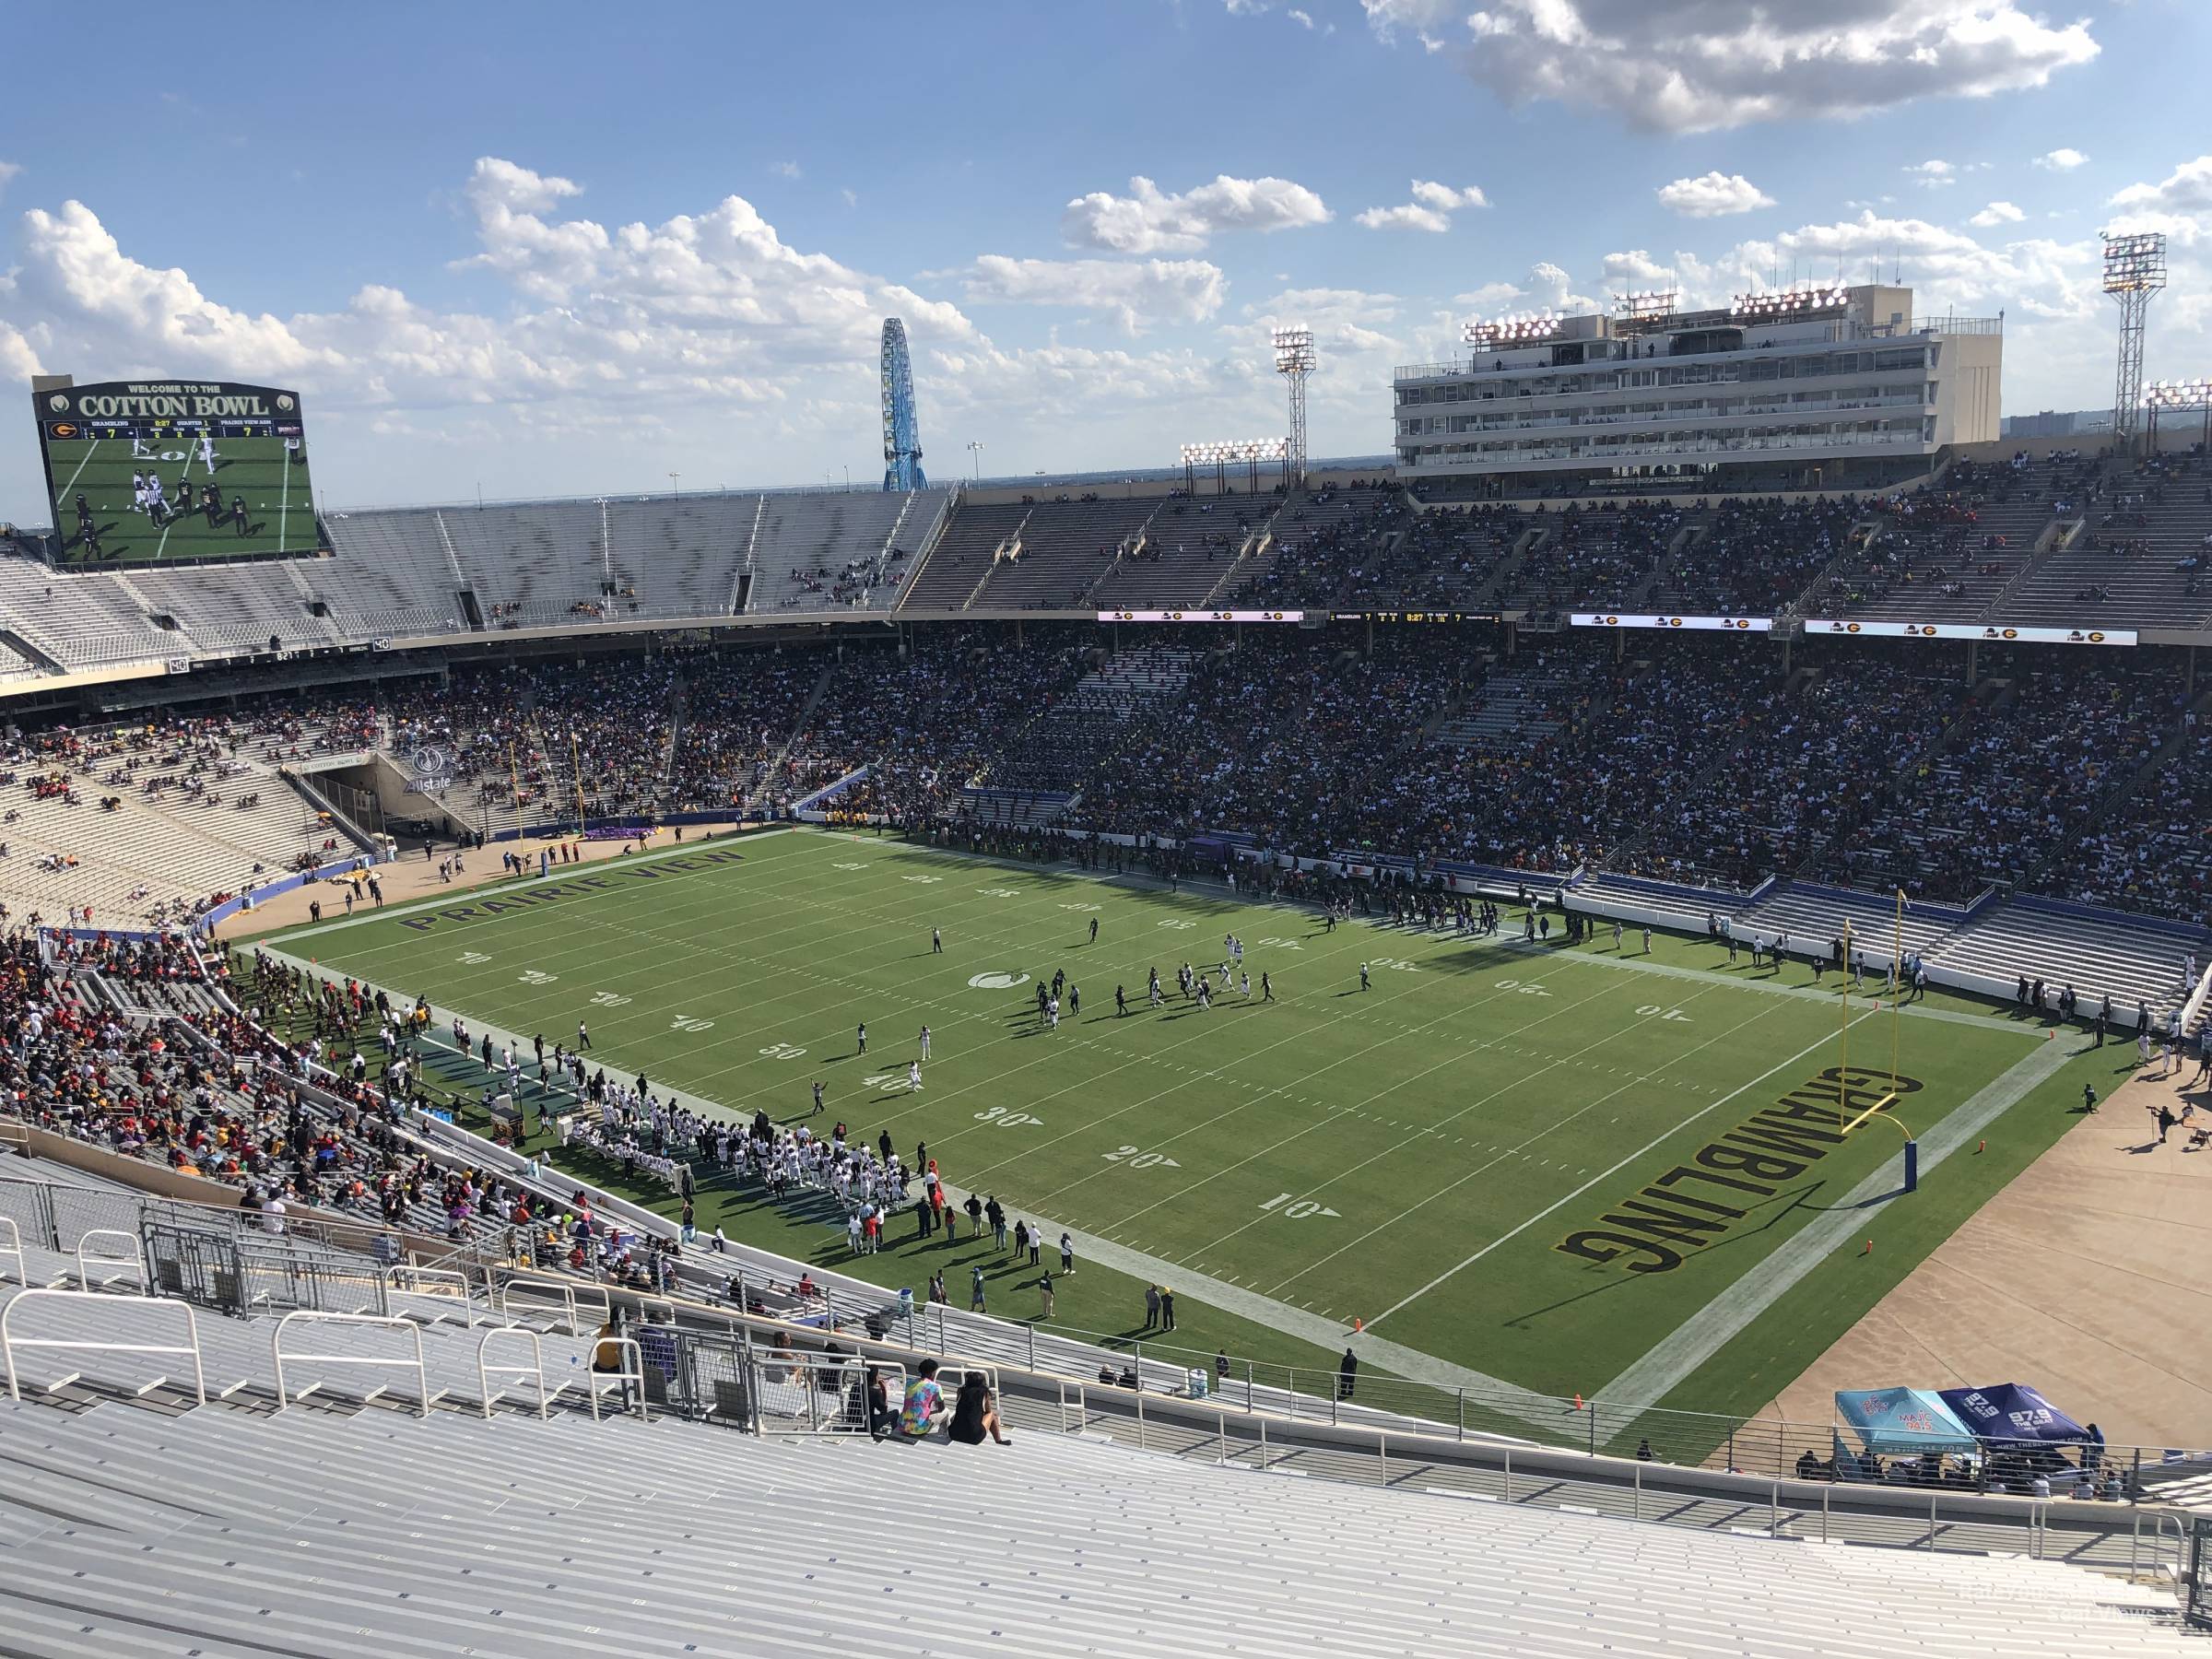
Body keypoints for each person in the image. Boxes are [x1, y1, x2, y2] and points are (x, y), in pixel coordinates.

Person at [947, 1371, 1011, 1446]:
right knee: (991, 1415)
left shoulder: (960, 1391)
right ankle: (999, 1440)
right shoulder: (984, 1393)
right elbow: (988, 1411)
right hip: (974, 1437)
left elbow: (961, 1406)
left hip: (954, 1434)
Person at [900, 1358, 947, 1437]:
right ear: (932, 1373)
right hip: (920, 1429)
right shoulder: (935, 1387)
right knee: (947, 1412)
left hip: (903, 1426)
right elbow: (941, 1408)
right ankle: (944, 1434)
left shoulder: (909, 1383)